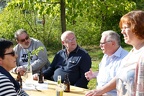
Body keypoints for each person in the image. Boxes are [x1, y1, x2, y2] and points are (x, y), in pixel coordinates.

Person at [85, 10, 144, 96]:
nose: (122, 32)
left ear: (138, 27)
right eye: (122, 28)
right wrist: (100, 90)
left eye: (125, 28)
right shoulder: (132, 53)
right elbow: (120, 76)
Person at [85, 30, 128, 96]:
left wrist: (100, 91)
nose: (100, 46)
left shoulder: (126, 57)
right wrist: (95, 74)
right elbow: (108, 73)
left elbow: (119, 79)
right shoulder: (106, 55)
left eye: (102, 43)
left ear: (113, 43)